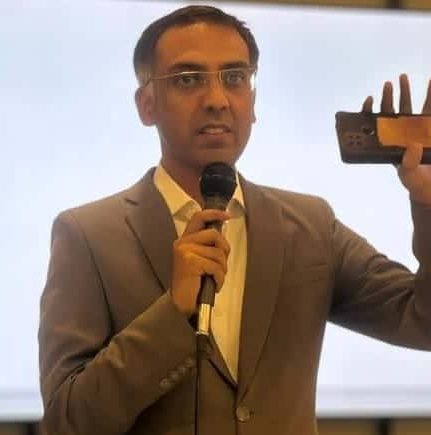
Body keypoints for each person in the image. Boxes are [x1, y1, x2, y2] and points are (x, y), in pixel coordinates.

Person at [38, 5, 431, 435]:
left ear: (252, 100)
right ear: (147, 104)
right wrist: (172, 312)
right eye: (188, 80)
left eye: (235, 78)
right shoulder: (88, 235)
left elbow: (422, 321)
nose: (217, 100)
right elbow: (66, 421)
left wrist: (428, 201)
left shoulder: (309, 226)